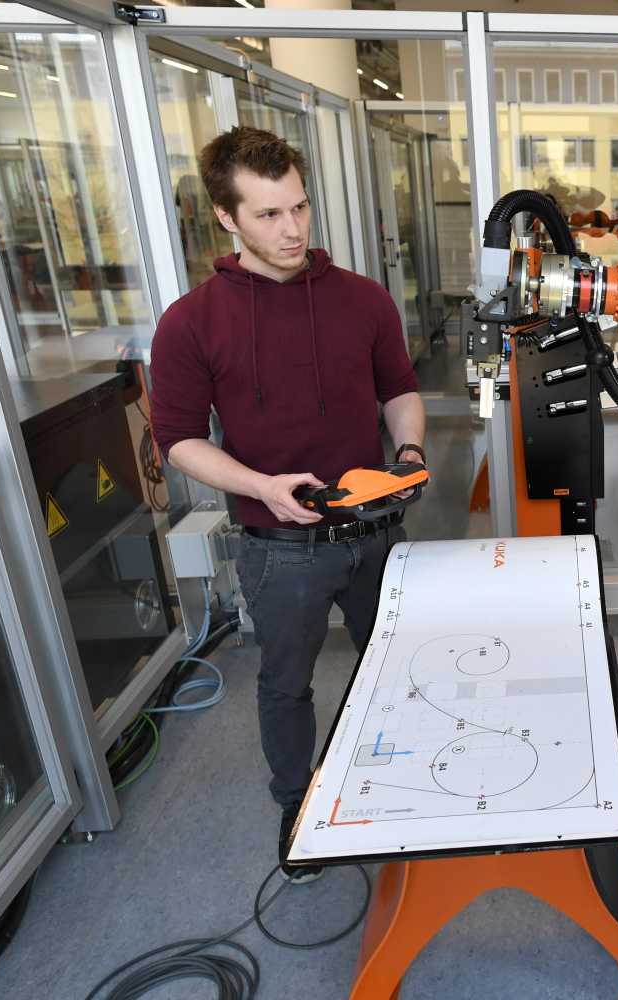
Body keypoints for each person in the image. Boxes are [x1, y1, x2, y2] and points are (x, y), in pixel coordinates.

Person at [149, 126, 425, 880]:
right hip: (279, 549)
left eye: (299, 206)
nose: (293, 228)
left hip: (376, 530)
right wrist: (262, 486)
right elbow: (178, 439)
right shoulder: (191, 322)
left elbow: (399, 390)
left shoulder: (363, 299)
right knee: (285, 684)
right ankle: (296, 806)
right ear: (227, 216)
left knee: (398, 668)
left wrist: (408, 452)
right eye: (269, 214)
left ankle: (401, 783)